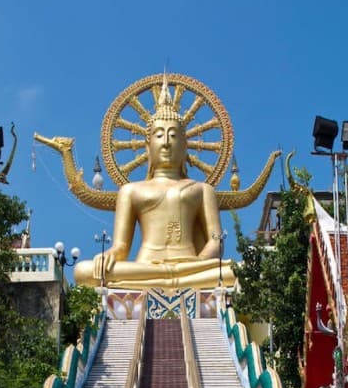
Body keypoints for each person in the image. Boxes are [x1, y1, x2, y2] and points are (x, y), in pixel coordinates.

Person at [72, 75, 235, 290]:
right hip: (146, 265)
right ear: (147, 146)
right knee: (84, 270)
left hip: (191, 264)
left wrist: (198, 261)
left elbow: (216, 241)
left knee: (236, 271)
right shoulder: (130, 191)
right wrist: (109, 254)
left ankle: (172, 279)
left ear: (186, 145)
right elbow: (121, 247)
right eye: (159, 135)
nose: (166, 143)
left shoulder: (203, 190)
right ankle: (173, 280)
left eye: (174, 136)